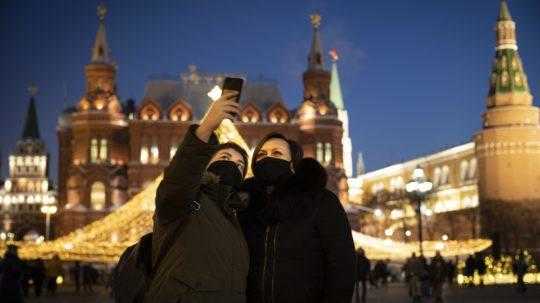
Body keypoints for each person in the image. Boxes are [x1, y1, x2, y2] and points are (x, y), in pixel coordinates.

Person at [136, 91, 250, 303]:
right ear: (205, 165)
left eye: (240, 165)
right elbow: (180, 176)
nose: (233, 164)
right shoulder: (186, 199)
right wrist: (206, 128)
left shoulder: (237, 218)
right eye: (225, 157)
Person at [240, 133, 356, 303]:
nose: (268, 158)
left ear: (293, 164)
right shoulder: (246, 205)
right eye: (262, 154)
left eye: (277, 153)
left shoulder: (319, 200)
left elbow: (342, 266)